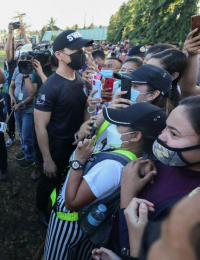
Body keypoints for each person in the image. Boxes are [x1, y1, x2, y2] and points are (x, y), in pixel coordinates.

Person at [43, 103, 167, 260]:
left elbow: (72, 202)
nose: (113, 126)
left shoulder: (111, 167)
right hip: (87, 224)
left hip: (68, 223)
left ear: (135, 136)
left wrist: (78, 162)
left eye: (120, 125)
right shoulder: (130, 155)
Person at [119, 95, 200, 254]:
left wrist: (127, 193)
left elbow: (137, 247)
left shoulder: (190, 207)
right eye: (166, 127)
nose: (162, 136)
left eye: (174, 134)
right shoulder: (172, 161)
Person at [34, 30, 93, 227]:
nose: (81, 53)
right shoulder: (50, 87)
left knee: (65, 179)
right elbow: (40, 126)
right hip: (57, 146)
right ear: (58, 54)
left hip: (76, 143)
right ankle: (41, 208)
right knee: (49, 179)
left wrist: (88, 120)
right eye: (75, 50)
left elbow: (84, 109)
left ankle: (60, 200)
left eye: (81, 49)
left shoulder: (81, 80)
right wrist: (47, 159)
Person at [25, 55, 58, 180]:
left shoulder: (60, 71)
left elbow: (52, 89)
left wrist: (41, 73)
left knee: (53, 142)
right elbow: (31, 92)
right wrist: (26, 74)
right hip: (39, 114)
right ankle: (39, 166)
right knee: (37, 143)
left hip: (55, 115)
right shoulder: (36, 71)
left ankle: (53, 164)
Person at [4, 21, 30, 147]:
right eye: (18, 49)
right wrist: (10, 33)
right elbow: (8, 50)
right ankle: (11, 136)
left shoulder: (29, 63)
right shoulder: (13, 63)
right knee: (12, 116)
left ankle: (24, 139)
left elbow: (30, 47)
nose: (20, 50)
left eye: (22, 49)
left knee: (24, 118)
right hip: (12, 93)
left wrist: (24, 34)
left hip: (27, 97)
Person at [9, 56, 35, 170]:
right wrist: (11, 97)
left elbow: (32, 94)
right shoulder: (16, 69)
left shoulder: (34, 72)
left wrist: (21, 103)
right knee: (20, 132)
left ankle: (30, 158)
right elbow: (11, 86)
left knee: (27, 135)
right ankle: (25, 151)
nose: (21, 64)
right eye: (19, 61)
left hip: (28, 110)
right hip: (16, 108)